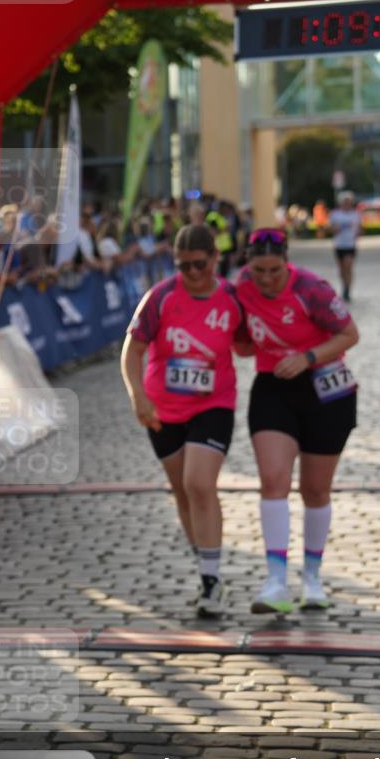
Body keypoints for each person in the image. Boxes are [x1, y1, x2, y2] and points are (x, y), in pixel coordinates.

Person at [121, 224, 247, 618]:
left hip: (214, 403)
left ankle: (211, 582)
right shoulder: (160, 297)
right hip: (163, 409)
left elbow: (248, 341)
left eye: (199, 264)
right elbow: (132, 351)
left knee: (199, 483)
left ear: (215, 259)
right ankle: (205, 565)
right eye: (183, 266)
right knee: (181, 489)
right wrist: (136, 395)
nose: (192, 273)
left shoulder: (231, 297)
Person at [234, 229, 360, 614]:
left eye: (274, 270)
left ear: (286, 261)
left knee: (315, 490)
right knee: (273, 480)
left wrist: (307, 357)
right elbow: (241, 343)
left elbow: (350, 334)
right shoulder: (241, 287)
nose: (267, 279)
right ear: (248, 265)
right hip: (273, 389)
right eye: (259, 271)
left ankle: (312, 577)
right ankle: (275, 581)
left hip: (326, 389)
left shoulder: (312, 289)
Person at [329, 191, 362, 302]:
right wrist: (335, 229)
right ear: (341, 203)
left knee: (348, 267)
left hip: (350, 245)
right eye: (345, 202)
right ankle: (344, 286)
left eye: (349, 202)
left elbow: (360, 229)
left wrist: (358, 233)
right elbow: (330, 230)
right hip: (339, 244)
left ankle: (348, 289)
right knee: (342, 269)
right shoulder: (335, 214)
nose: (347, 204)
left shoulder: (355, 215)